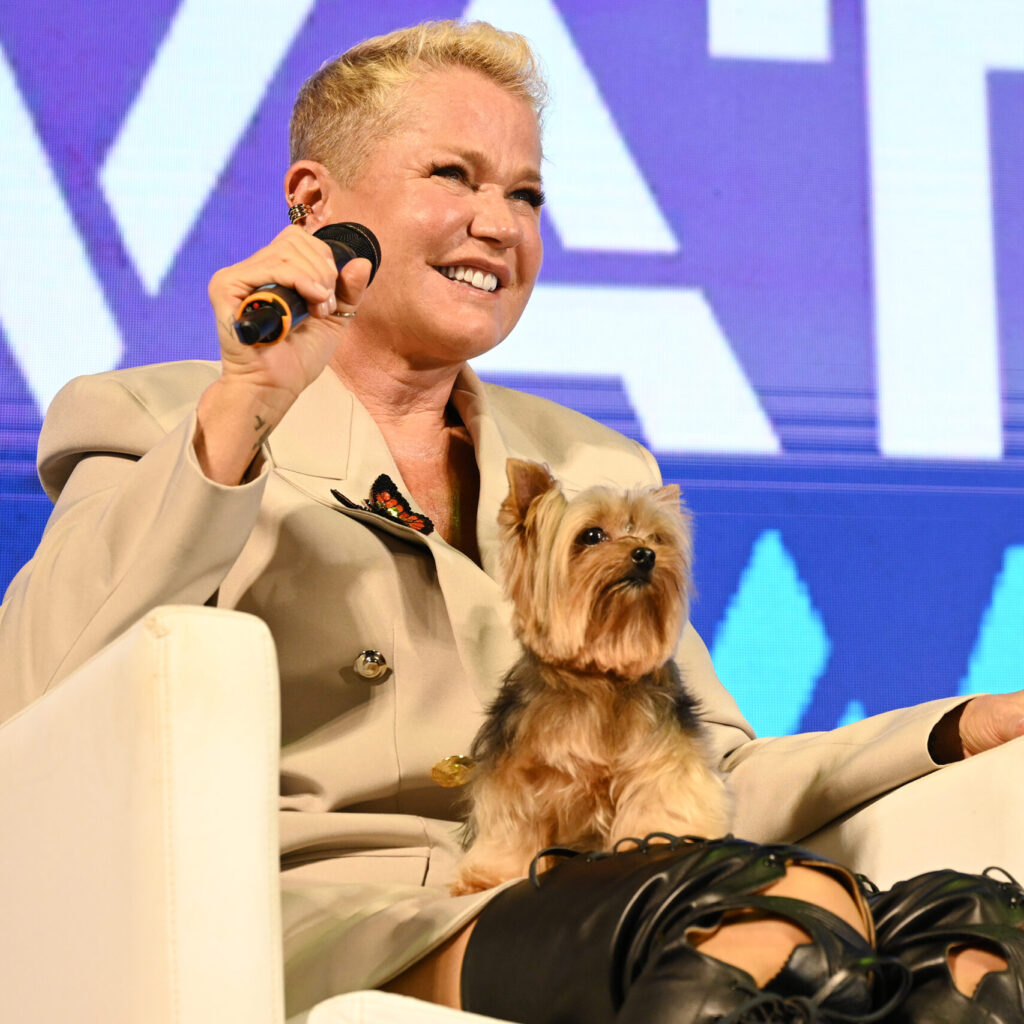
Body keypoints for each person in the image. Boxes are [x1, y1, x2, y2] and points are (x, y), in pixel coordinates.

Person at [1, 19, 1022, 1023]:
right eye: (453, 175)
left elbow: (708, 771)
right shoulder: (156, 418)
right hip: (333, 913)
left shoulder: (591, 469)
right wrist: (244, 405)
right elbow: (46, 694)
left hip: (594, 881)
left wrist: (948, 729)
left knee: (971, 943)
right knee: (763, 926)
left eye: (525, 194)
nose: (501, 222)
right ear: (315, 204)